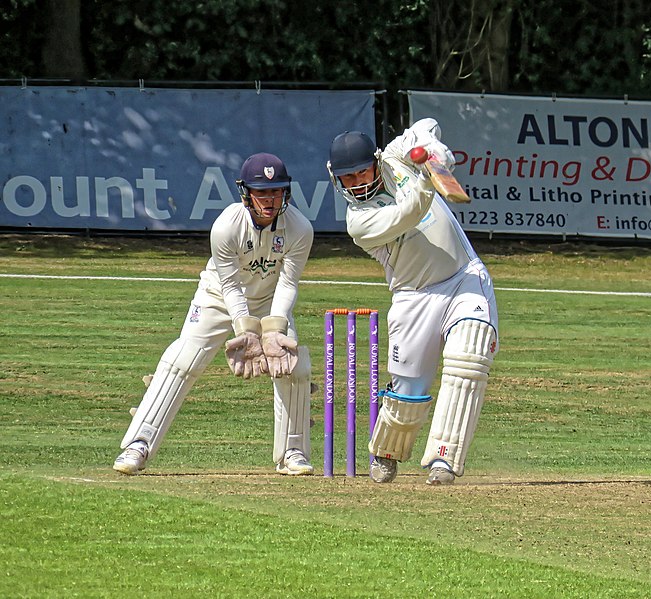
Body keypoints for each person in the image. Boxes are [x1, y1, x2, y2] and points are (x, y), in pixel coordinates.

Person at [113, 152, 315, 476]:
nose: (270, 199)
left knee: (292, 364)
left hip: (270, 300)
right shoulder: (226, 227)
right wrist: (246, 331)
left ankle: (292, 452)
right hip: (217, 297)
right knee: (184, 359)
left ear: (286, 192)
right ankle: (138, 445)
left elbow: (288, 283)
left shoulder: (300, 228)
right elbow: (231, 286)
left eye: (276, 191)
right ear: (246, 193)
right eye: (262, 192)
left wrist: (274, 330)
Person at [327, 119, 498, 485]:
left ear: (375, 162)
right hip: (413, 296)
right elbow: (410, 213)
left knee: (470, 355)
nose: (358, 182)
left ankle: (444, 459)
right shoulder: (359, 221)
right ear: (337, 180)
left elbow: (427, 125)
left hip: (463, 277)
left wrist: (432, 152)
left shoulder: (393, 160)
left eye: (363, 172)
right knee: (408, 391)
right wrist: (425, 180)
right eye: (349, 178)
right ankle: (387, 450)